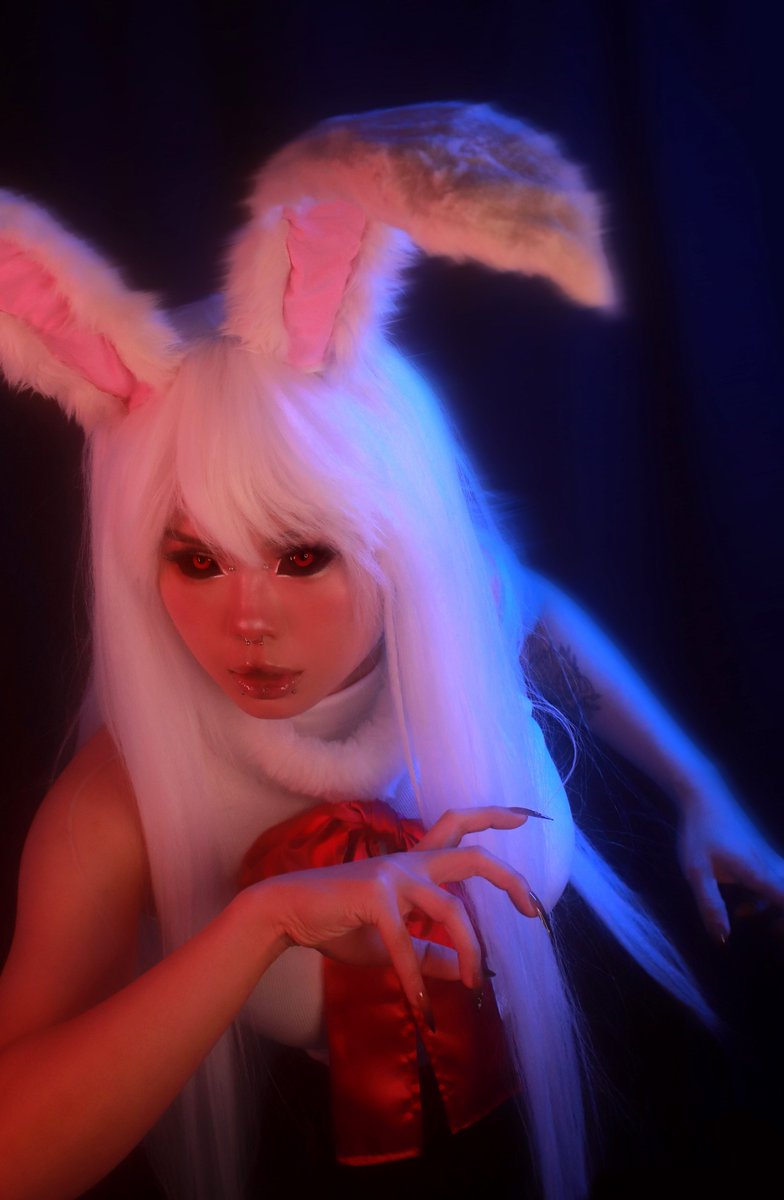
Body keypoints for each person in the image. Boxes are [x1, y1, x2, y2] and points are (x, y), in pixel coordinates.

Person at [0, 102, 781, 1200]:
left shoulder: (457, 622)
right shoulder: (113, 807)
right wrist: (260, 926)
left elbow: (537, 607)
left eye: (302, 556)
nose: (248, 622)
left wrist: (702, 790)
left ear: (395, 538)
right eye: (197, 561)